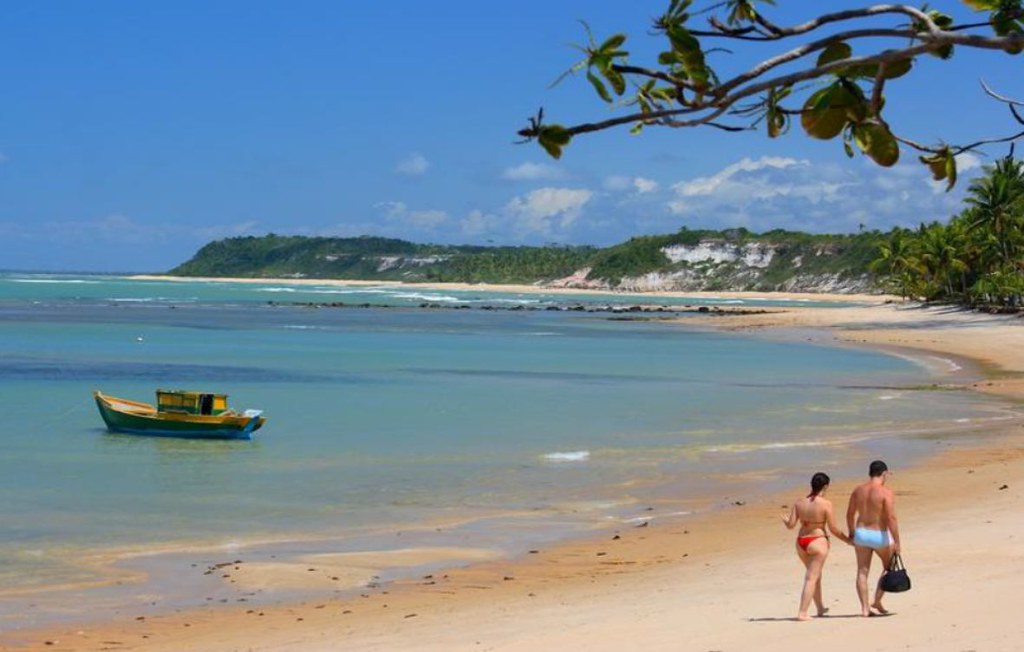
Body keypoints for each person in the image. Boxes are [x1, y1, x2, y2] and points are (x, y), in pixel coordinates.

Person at [781, 472, 852, 621]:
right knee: (811, 578)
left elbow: (791, 525)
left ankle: (820, 607)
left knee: (815, 575)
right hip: (817, 541)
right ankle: (802, 612)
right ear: (825, 486)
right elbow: (833, 529)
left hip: (801, 542)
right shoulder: (826, 504)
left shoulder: (799, 502)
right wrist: (848, 540)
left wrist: (786, 520)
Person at [846, 459, 902, 617]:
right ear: (884, 473)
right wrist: (897, 541)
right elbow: (891, 518)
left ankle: (864, 608)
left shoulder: (858, 490)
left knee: (862, 572)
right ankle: (876, 600)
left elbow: (850, 514)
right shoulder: (886, 492)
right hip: (879, 534)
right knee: (889, 568)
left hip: (861, 533)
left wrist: (851, 533)